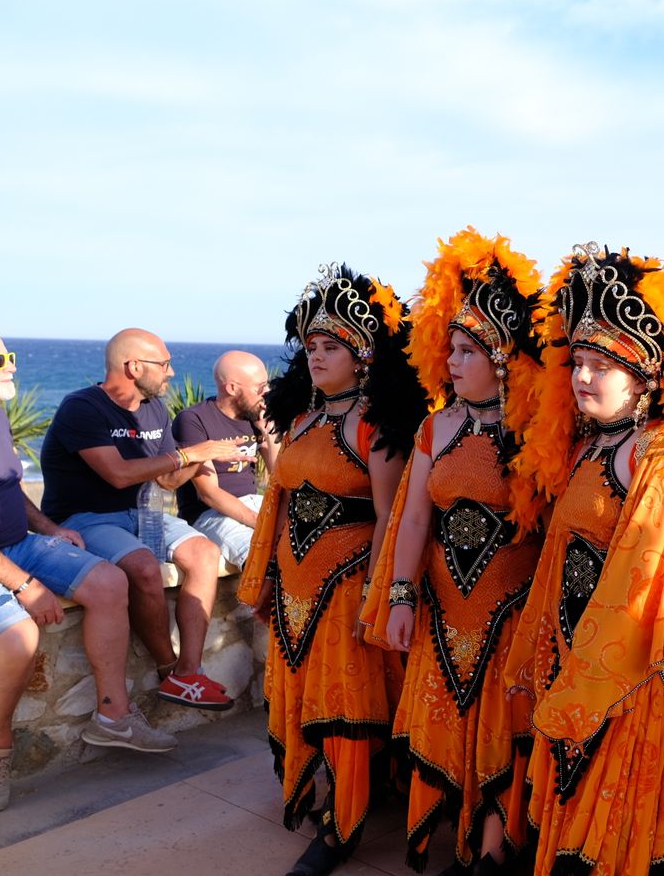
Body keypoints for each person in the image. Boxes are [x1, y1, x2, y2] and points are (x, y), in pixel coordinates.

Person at [502, 242, 664, 873]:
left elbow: (642, 580)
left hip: (630, 676)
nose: (582, 377)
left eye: (601, 366)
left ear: (643, 378)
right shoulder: (589, 450)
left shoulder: (660, 458)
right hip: (576, 657)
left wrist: (582, 685)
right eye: (579, 362)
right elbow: (558, 560)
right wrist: (542, 652)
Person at [0, 319, 176, 814]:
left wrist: (49, 529)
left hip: (12, 541)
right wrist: (23, 583)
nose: (11, 368)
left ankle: (113, 715)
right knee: (19, 636)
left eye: (10, 357)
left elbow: (7, 489)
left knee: (110, 581)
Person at [359, 229, 554, 873]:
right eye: (452, 350)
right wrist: (400, 595)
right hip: (443, 609)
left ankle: (494, 852)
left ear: (502, 357)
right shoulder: (434, 426)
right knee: (447, 722)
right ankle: (455, 836)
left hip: (512, 613)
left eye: (468, 351)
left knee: (502, 726)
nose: (453, 362)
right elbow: (413, 520)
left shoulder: (538, 431)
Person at [236, 266, 426, 876]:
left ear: (363, 356)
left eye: (332, 348)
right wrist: (264, 573)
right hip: (293, 585)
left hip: (346, 586)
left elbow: (392, 518)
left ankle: (341, 828)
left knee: (345, 706)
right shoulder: (300, 421)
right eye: (311, 347)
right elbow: (279, 504)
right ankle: (317, 794)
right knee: (297, 698)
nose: (317, 358)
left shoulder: (376, 426)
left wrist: (377, 593)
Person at [39, 328, 248, 712]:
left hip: (142, 513)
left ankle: (189, 673)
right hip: (86, 517)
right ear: (134, 366)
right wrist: (189, 455)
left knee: (204, 553)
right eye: (164, 364)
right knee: (144, 568)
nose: (170, 373)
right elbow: (117, 474)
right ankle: (169, 670)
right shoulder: (82, 407)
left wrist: (204, 457)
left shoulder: (154, 409)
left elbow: (167, 478)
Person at [172, 351, 278, 568]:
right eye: (260, 388)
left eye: (267, 385)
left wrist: (268, 434)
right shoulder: (193, 420)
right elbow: (208, 493)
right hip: (211, 514)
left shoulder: (255, 416)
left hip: (251, 502)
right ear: (232, 388)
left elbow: (279, 473)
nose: (266, 393)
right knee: (260, 558)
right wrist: (261, 524)